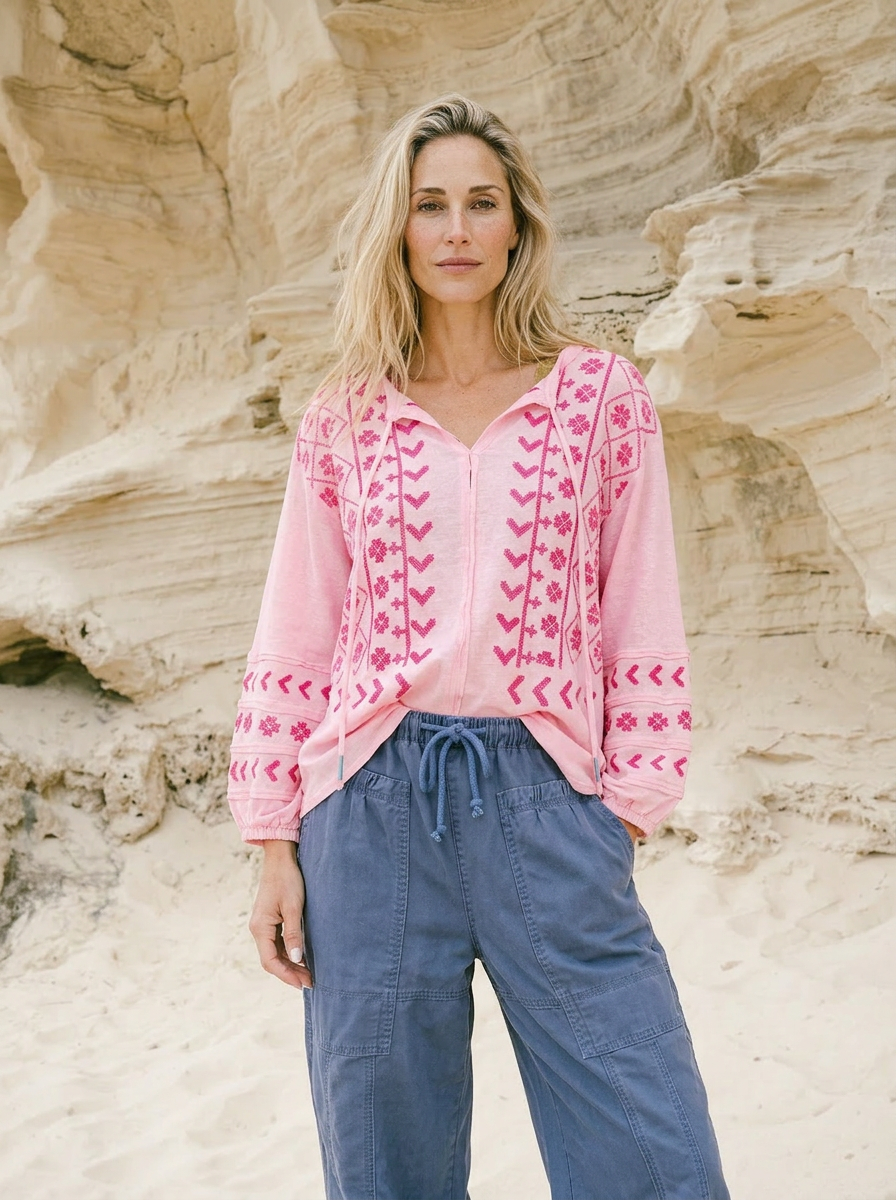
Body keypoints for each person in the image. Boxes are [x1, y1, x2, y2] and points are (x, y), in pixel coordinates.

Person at [228, 94, 729, 1200]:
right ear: (396, 232)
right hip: (366, 804)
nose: (454, 229)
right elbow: (296, 629)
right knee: (384, 1162)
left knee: (652, 1152)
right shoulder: (346, 415)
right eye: (428, 205)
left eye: (479, 203)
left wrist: (629, 804)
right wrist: (273, 841)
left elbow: (638, 600)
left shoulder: (600, 397)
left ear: (516, 227)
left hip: (546, 798)